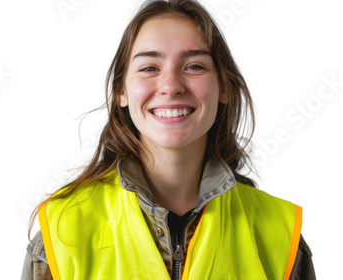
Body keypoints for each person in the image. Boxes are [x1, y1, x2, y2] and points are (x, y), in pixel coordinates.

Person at [21, 0, 316, 279]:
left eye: (194, 66)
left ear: (223, 88)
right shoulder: (61, 231)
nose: (171, 85)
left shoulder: (279, 232)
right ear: (121, 92)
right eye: (149, 68)